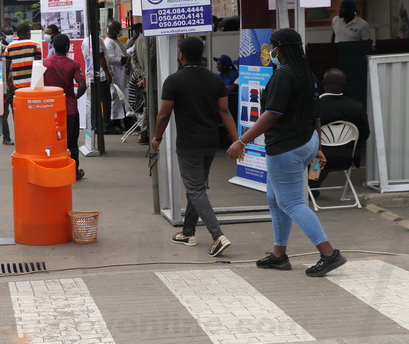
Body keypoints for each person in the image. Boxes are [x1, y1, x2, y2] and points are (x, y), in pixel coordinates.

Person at [227, 28, 347, 277]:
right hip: (307, 141)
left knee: (291, 202)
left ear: (278, 49)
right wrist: (319, 148)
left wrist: (242, 141)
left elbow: (272, 114)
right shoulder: (309, 76)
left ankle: (329, 253)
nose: (271, 51)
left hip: (287, 147)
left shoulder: (284, 76)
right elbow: (316, 115)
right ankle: (279, 255)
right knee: (275, 199)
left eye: (272, 47)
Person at [152, 36, 237, 257]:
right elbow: (225, 112)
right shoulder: (215, 80)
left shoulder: (174, 81)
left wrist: (157, 138)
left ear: (180, 55)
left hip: (189, 144)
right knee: (196, 188)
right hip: (210, 143)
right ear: (201, 56)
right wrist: (237, 139)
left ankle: (217, 235)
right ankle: (187, 232)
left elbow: (163, 115)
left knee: (196, 189)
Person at [312, 68, 370, 196]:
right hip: (346, 159)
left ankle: (312, 185)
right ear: (344, 85)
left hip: (318, 160)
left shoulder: (314, 107)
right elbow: (365, 134)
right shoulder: (357, 107)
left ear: (323, 83)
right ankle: (313, 185)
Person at [43, 34, 87, 180]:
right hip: (69, 109)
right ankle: (73, 172)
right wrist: (75, 97)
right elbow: (82, 85)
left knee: (51, 142)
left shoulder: (44, 64)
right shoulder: (73, 64)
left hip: (50, 109)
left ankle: (53, 170)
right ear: (68, 47)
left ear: (53, 47)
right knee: (72, 143)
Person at [103, 21, 128, 132]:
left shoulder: (116, 41)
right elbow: (111, 59)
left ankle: (121, 120)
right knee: (116, 97)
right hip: (116, 72)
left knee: (121, 97)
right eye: (117, 29)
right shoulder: (108, 43)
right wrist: (123, 60)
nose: (119, 32)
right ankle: (114, 121)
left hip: (122, 73)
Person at [0, 25, 16, 145]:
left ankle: (21, 136)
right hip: (3, 86)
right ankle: (6, 137)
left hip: (15, 84)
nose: (11, 36)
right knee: (4, 114)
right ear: (2, 35)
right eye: (8, 33)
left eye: (12, 33)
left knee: (17, 113)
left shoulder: (13, 46)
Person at [4, 22, 42, 91]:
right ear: (28, 33)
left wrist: (5, 83)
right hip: (33, 86)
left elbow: (6, 69)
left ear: (17, 34)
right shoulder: (35, 45)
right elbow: (38, 67)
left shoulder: (9, 47)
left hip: (17, 86)